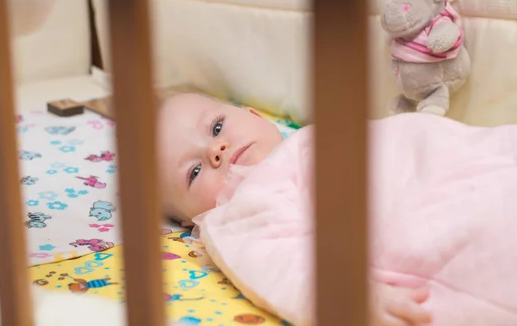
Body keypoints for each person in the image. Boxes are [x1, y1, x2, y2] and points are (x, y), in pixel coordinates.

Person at [156, 90, 432, 326]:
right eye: (194, 172)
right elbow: (283, 267)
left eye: (217, 128)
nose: (216, 149)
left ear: (255, 115)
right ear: (192, 221)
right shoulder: (236, 216)